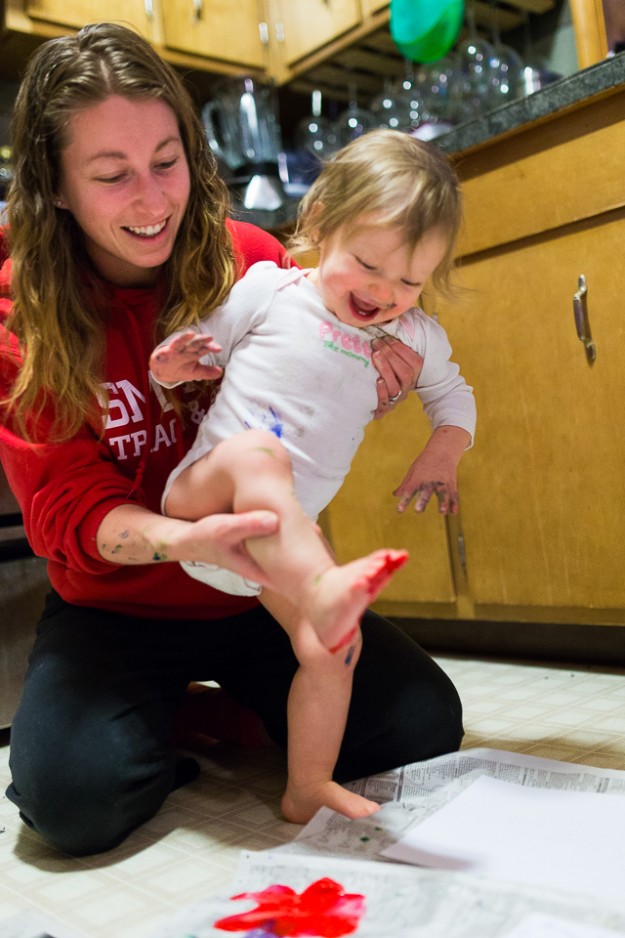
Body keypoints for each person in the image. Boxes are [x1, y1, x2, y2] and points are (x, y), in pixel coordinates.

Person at [0, 22, 464, 858]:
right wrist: (187, 538)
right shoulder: (20, 310)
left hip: (256, 592)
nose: (152, 201)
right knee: (72, 807)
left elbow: (321, 335)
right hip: (117, 605)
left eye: (167, 162)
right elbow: (62, 509)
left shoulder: (245, 258)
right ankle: (183, 709)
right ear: (56, 188)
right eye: (111, 176)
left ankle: (225, 707)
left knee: (420, 725)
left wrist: (371, 365)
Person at [149, 129, 476, 824]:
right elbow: (191, 348)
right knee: (258, 453)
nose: (385, 293)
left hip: (274, 546)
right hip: (198, 504)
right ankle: (321, 584)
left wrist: (441, 450)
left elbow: (455, 397)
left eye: (410, 281)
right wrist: (170, 366)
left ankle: (307, 786)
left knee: (336, 646)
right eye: (366, 264)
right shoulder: (269, 291)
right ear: (321, 223)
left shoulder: (413, 338)